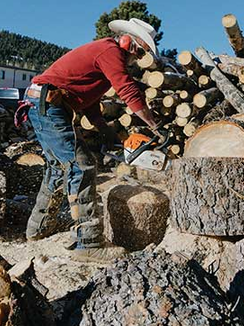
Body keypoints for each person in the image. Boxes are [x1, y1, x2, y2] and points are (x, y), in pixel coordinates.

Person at [22, 18, 164, 263]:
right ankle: (88, 244)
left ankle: (38, 229)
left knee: (58, 167)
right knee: (81, 166)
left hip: (45, 103)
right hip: (48, 104)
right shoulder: (110, 51)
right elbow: (127, 89)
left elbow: (90, 105)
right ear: (128, 42)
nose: (138, 59)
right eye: (140, 53)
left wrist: (108, 133)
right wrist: (154, 125)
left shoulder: (104, 55)